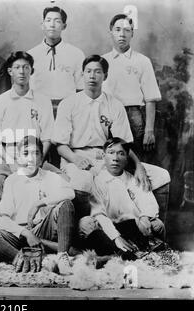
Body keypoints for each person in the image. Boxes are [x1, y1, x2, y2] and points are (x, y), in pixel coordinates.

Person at [53, 55, 170, 219]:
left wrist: (138, 166)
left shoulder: (114, 104)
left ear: (105, 76)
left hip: (106, 156)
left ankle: (156, 233)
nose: (92, 76)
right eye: (88, 71)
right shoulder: (69, 103)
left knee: (161, 175)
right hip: (74, 157)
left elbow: (122, 144)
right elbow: (60, 145)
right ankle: (82, 236)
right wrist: (75, 159)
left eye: (98, 72)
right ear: (82, 74)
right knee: (83, 181)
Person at [0, 136, 76, 275]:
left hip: (42, 228)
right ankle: (19, 257)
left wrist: (39, 203)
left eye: (36, 153)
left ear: (41, 158)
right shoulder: (12, 180)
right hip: (19, 234)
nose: (31, 158)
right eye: (26, 153)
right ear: (18, 157)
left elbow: (70, 192)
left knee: (66, 204)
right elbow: (2, 218)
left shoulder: (50, 176)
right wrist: (26, 233)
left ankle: (61, 256)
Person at [0, 51, 62, 203]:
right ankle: (0, 221)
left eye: (26, 67)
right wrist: (12, 163)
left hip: (35, 154)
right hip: (7, 156)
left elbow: (47, 138)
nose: (22, 71)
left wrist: (37, 160)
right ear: (10, 71)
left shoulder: (43, 101)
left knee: (63, 181)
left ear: (31, 70)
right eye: (17, 67)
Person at [78, 138, 166, 258]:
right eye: (111, 153)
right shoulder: (99, 180)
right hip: (111, 225)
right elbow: (99, 213)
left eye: (121, 153)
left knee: (158, 225)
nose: (115, 158)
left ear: (126, 159)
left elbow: (148, 202)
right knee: (85, 224)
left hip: (133, 226)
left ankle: (136, 252)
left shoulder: (132, 179)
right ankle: (120, 252)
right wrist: (116, 237)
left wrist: (144, 217)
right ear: (104, 156)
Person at [103, 14, 161, 160]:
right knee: (110, 161)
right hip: (107, 116)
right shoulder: (103, 61)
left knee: (134, 161)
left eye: (127, 30)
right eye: (117, 29)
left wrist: (149, 130)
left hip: (133, 117)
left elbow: (150, 98)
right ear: (110, 32)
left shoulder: (142, 61)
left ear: (132, 33)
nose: (122, 34)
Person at [28, 6, 85, 117]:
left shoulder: (76, 54)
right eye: (48, 20)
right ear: (42, 25)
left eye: (57, 21)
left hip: (68, 110)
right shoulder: (31, 55)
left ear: (64, 26)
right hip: (38, 109)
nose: (52, 25)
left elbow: (81, 88)